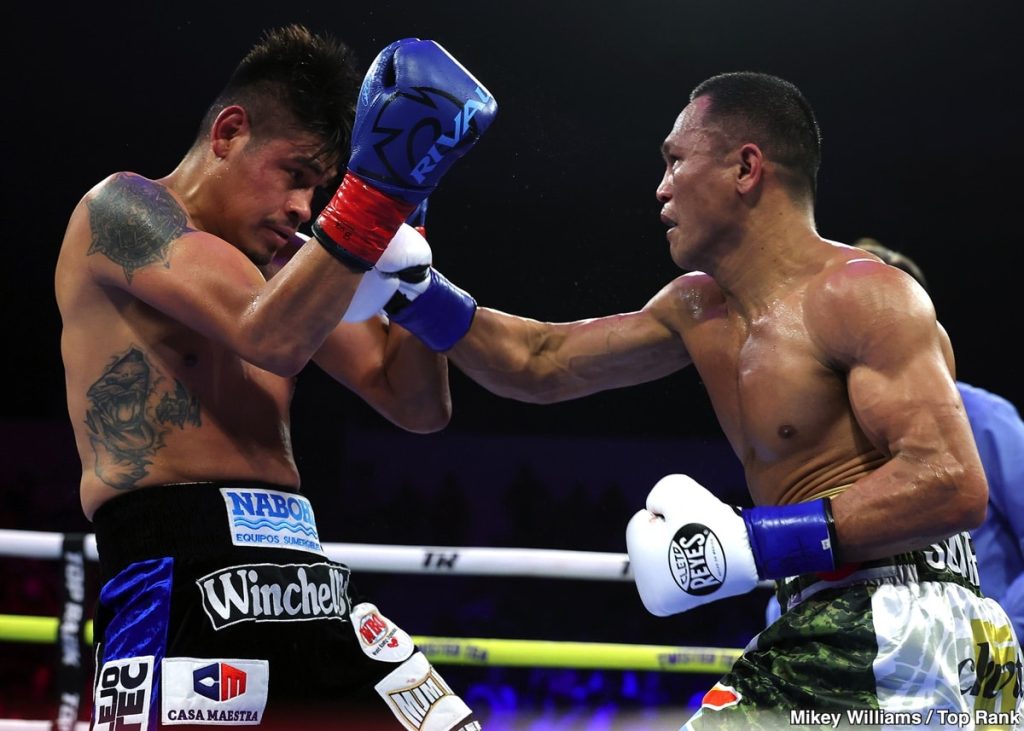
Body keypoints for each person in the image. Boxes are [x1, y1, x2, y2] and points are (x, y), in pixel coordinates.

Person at [377, 71, 1024, 727]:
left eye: (675, 160)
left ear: (745, 168)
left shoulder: (861, 293)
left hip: (902, 615)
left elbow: (953, 485)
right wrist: (416, 293)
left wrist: (753, 542)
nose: (661, 188)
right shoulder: (697, 308)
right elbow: (540, 361)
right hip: (834, 618)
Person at [55, 24, 496, 730]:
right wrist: (373, 196)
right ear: (230, 132)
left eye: (322, 189)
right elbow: (269, 336)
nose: (304, 208)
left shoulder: (292, 267)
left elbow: (415, 402)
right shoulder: (122, 210)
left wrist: (408, 232)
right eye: (296, 174)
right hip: (178, 576)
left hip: (306, 577)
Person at [852, 238, 1024, 644]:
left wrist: (1000, 636)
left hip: (979, 660)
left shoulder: (984, 417)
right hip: (877, 659)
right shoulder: (834, 435)